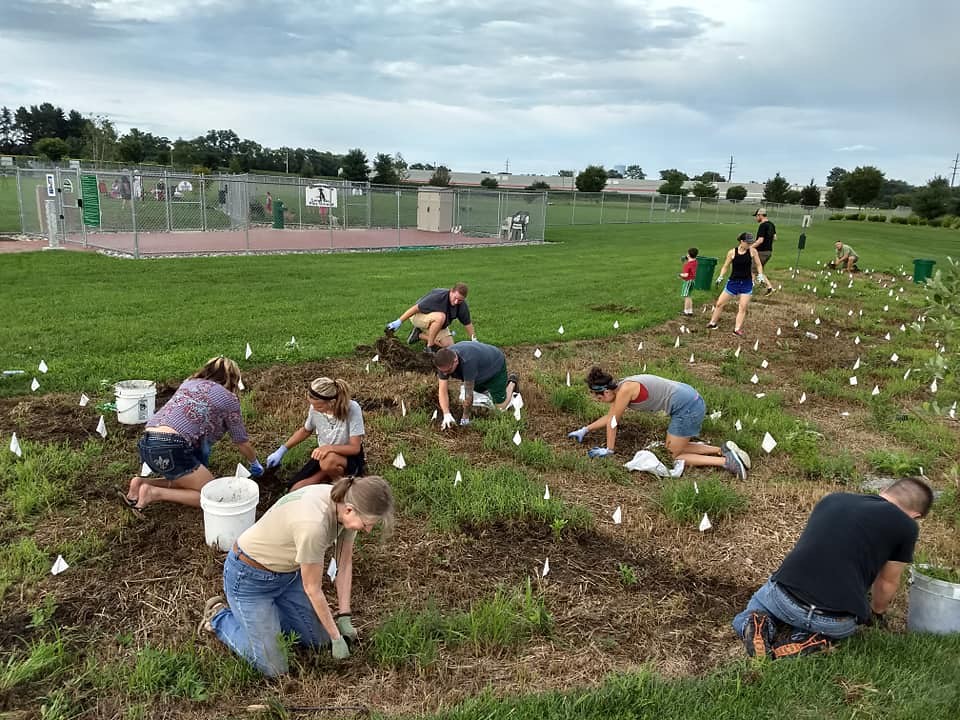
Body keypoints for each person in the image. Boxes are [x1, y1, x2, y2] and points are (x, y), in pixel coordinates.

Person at [199, 475, 395, 676]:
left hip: (288, 577)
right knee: (274, 667)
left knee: (319, 642)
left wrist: (344, 616)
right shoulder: (314, 526)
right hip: (249, 579)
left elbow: (344, 563)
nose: (368, 530)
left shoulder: (345, 502)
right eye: (367, 523)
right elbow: (313, 589)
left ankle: (270, 617)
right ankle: (219, 617)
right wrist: (337, 637)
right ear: (349, 509)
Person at [733, 477, 932, 660]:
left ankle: (756, 625)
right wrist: (877, 613)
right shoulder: (907, 526)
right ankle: (811, 641)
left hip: (784, 598)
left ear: (884, 490)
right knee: (824, 630)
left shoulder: (834, 499)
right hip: (835, 620)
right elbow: (887, 582)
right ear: (916, 515)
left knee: (757, 608)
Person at [122, 357, 262, 513]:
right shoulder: (229, 398)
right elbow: (240, 441)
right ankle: (153, 493)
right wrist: (254, 463)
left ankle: (140, 483)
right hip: (172, 446)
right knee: (212, 496)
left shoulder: (188, 383)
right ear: (233, 379)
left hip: (148, 441)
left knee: (183, 476)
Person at [567, 367, 750, 479]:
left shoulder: (625, 390)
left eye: (598, 397)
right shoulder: (623, 387)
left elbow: (613, 421)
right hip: (691, 399)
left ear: (606, 392)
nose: (598, 400)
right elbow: (611, 417)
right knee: (672, 446)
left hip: (687, 408)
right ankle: (721, 449)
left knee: (672, 455)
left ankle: (727, 462)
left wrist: (609, 449)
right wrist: (586, 429)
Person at [264, 377, 366, 491]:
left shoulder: (352, 409)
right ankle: (327, 475)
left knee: (329, 461)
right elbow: (306, 430)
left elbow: (354, 448)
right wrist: (282, 450)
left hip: (347, 457)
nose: (315, 409)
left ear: (332, 402)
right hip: (323, 456)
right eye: (313, 405)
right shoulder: (314, 408)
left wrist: (328, 448)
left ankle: (341, 486)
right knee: (295, 489)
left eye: (319, 406)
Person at [433, 342, 519, 427]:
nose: (444, 374)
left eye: (448, 371)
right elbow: (442, 390)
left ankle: (512, 382)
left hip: (495, 365)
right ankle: (487, 388)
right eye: (442, 371)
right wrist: (446, 413)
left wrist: (465, 418)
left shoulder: (468, 362)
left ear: (456, 361)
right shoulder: (444, 360)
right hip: (479, 368)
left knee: (500, 408)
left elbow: (469, 396)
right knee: (478, 393)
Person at [385, 283, 477, 351]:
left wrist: (474, 340)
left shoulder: (462, 305)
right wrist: (399, 321)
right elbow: (415, 308)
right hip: (418, 317)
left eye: (460, 300)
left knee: (450, 347)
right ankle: (429, 347)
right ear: (451, 292)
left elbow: (467, 324)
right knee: (441, 317)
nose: (456, 302)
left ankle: (419, 335)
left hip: (438, 323)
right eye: (455, 298)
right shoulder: (438, 297)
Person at [706, 232, 765, 337]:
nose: (750, 245)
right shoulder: (732, 252)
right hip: (733, 282)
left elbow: (759, 265)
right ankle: (712, 323)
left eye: (751, 243)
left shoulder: (753, 251)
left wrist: (760, 275)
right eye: (748, 243)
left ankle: (737, 329)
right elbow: (725, 266)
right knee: (719, 303)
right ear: (741, 242)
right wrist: (721, 276)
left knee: (742, 307)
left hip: (746, 283)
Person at [752, 209, 776, 294]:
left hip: (761, 252)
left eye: (756, 216)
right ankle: (770, 288)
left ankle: (749, 290)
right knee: (759, 270)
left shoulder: (762, 225)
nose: (756, 218)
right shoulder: (771, 225)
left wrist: (750, 247)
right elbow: (774, 238)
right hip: (769, 252)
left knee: (752, 270)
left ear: (760, 215)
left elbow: (760, 240)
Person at [679, 248, 699, 316]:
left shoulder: (687, 265)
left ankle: (685, 311)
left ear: (688, 255)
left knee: (686, 296)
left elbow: (686, 275)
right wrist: (687, 258)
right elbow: (692, 260)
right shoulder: (695, 262)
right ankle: (690, 311)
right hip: (692, 281)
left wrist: (680, 275)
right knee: (689, 296)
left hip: (687, 281)